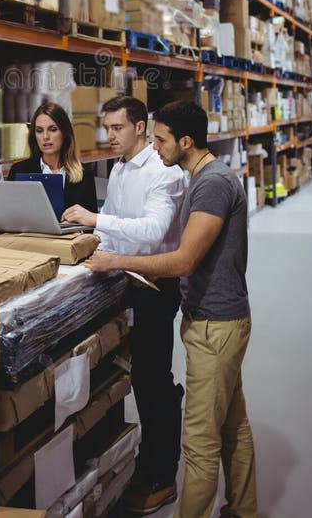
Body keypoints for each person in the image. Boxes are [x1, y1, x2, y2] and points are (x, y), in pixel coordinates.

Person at [86, 100, 258, 518]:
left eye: (161, 140)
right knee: (233, 426)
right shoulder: (200, 178)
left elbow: (184, 260)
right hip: (215, 318)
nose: (156, 148)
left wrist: (117, 261)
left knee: (199, 443)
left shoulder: (212, 184)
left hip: (216, 325)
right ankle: (243, 509)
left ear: (185, 141)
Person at [62, 95, 186, 514]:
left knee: (154, 384)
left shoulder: (162, 172)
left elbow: (152, 232)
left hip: (155, 287)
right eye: (106, 128)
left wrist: (96, 220)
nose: (109, 136)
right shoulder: (116, 170)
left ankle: (162, 475)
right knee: (124, 379)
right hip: (121, 281)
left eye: (117, 128)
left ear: (140, 127)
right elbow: (114, 230)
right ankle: (130, 462)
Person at [7, 101, 98, 214]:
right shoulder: (19, 171)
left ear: (64, 132)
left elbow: (91, 224)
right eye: (39, 131)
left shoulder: (85, 174)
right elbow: (11, 216)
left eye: (53, 129)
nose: (45, 137)